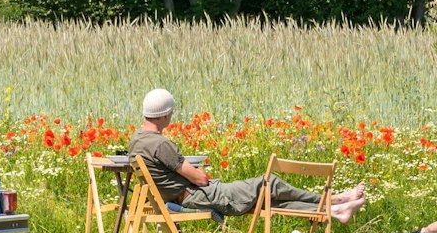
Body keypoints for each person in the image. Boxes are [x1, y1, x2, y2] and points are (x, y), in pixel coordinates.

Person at [128, 88, 367, 221]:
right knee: (270, 184)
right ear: (165, 114)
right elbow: (200, 179)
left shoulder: (137, 141)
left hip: (187, 196)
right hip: (199, 195)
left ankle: (332, 211)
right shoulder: (161, 144)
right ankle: (334, 200)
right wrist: (199, 173)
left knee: (269, 200)